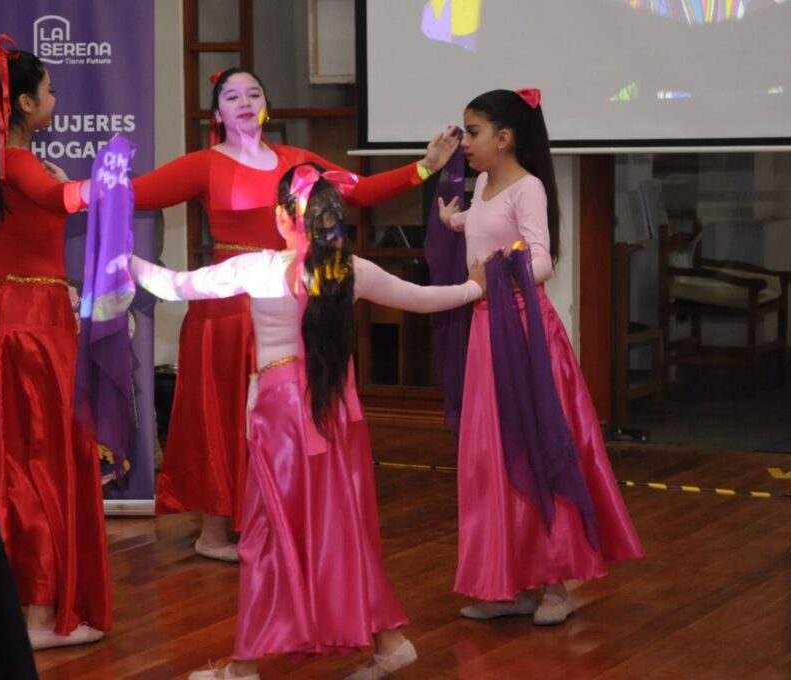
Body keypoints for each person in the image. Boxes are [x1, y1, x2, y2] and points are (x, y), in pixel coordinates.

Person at [130, 163, 486, 680]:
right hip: (335, 417)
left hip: (283, 421)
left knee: (266, 536)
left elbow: (174, 286)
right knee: (339, 529)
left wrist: (119, 257)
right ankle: (387, 642)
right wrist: (474, 288)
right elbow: (424, 299)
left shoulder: (259, 269)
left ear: (282, 216)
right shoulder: (350, 270)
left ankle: (246, 666)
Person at [131, 67, 460, 562]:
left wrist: (424, 168)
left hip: (287, 301)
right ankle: (213, 532)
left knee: (287, 416)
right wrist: (71, 192)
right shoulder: (204, 163)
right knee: (221, 412)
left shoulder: (296, 161)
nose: (245, 102)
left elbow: (359, 190)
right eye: (232, 96)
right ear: (217, 112)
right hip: (225, 307)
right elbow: (135, 193)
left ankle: (272, 523)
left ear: (267, 105)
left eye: (254, 93)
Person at [437, 88, 644, 625]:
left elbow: (543, 261)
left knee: (534, 444)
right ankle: (510, 583)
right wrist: (455, 221)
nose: (465, 143)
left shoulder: (528, 188)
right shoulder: (483, 183)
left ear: (505, 138)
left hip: (523, 333)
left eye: (474, 133)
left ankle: (555, 584)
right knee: (494, 455)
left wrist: (494, 273)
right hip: (487, 330)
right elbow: (483, 227)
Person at [0, 35, 111, 650]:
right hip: (34, 323)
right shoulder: (18, 162)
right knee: (41, 461)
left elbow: (49, 202)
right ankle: (39, 614)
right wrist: (103, 180)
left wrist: (68, 185)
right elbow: (64, 198)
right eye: (50, 91)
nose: (56, 99)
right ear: (26, 103)